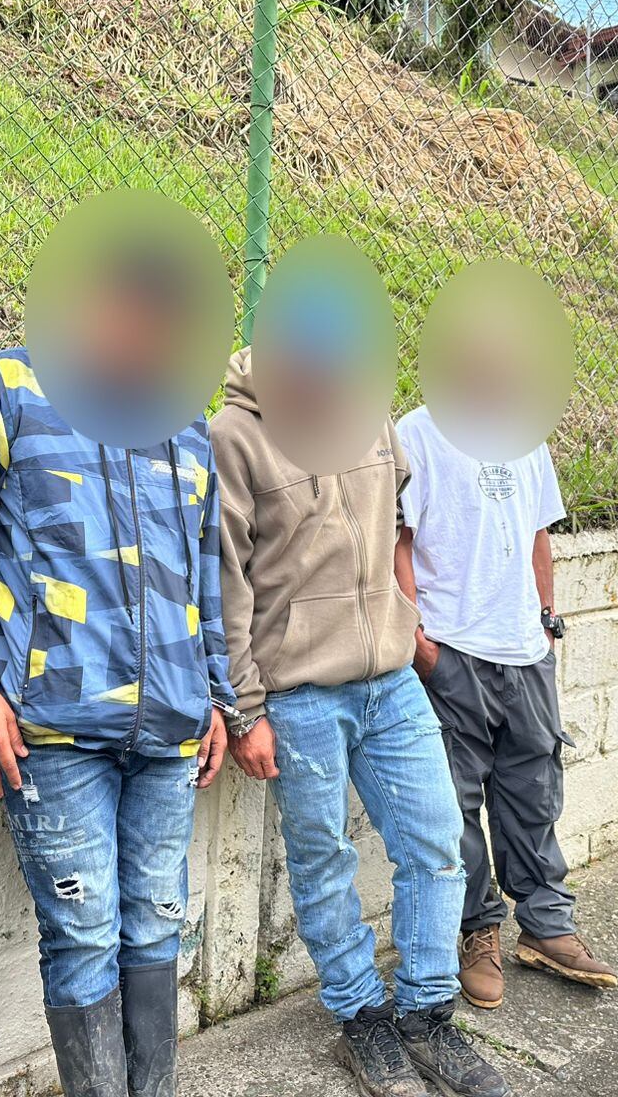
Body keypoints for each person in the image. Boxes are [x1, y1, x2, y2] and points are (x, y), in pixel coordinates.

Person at [0, 255, 233, 1097]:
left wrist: (214, 696)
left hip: (169, 734)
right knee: (84, 936)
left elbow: (203, 578)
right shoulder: (9, 387)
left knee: (157, 925)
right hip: (52, 735)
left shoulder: (187, 422)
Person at [213, 346, 510, 1097]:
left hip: (391, 681)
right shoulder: (235, 437)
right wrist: (245, 708)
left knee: (437, 843)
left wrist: (411, 635)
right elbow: (225, 585)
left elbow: (394, 527)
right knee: (322, 861)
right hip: (301, 692)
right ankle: (360, 1021)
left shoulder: (371, 412)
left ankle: (427, 1017)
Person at [394, 403, 617, 1014]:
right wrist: (419, 643)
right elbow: (401, 541)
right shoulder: (416, 433)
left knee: (535, 790)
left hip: (526, 652)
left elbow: (539, 533)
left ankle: (546, 924)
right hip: (453, 651)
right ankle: (478, 930)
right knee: (456, 804)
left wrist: (545, 626)